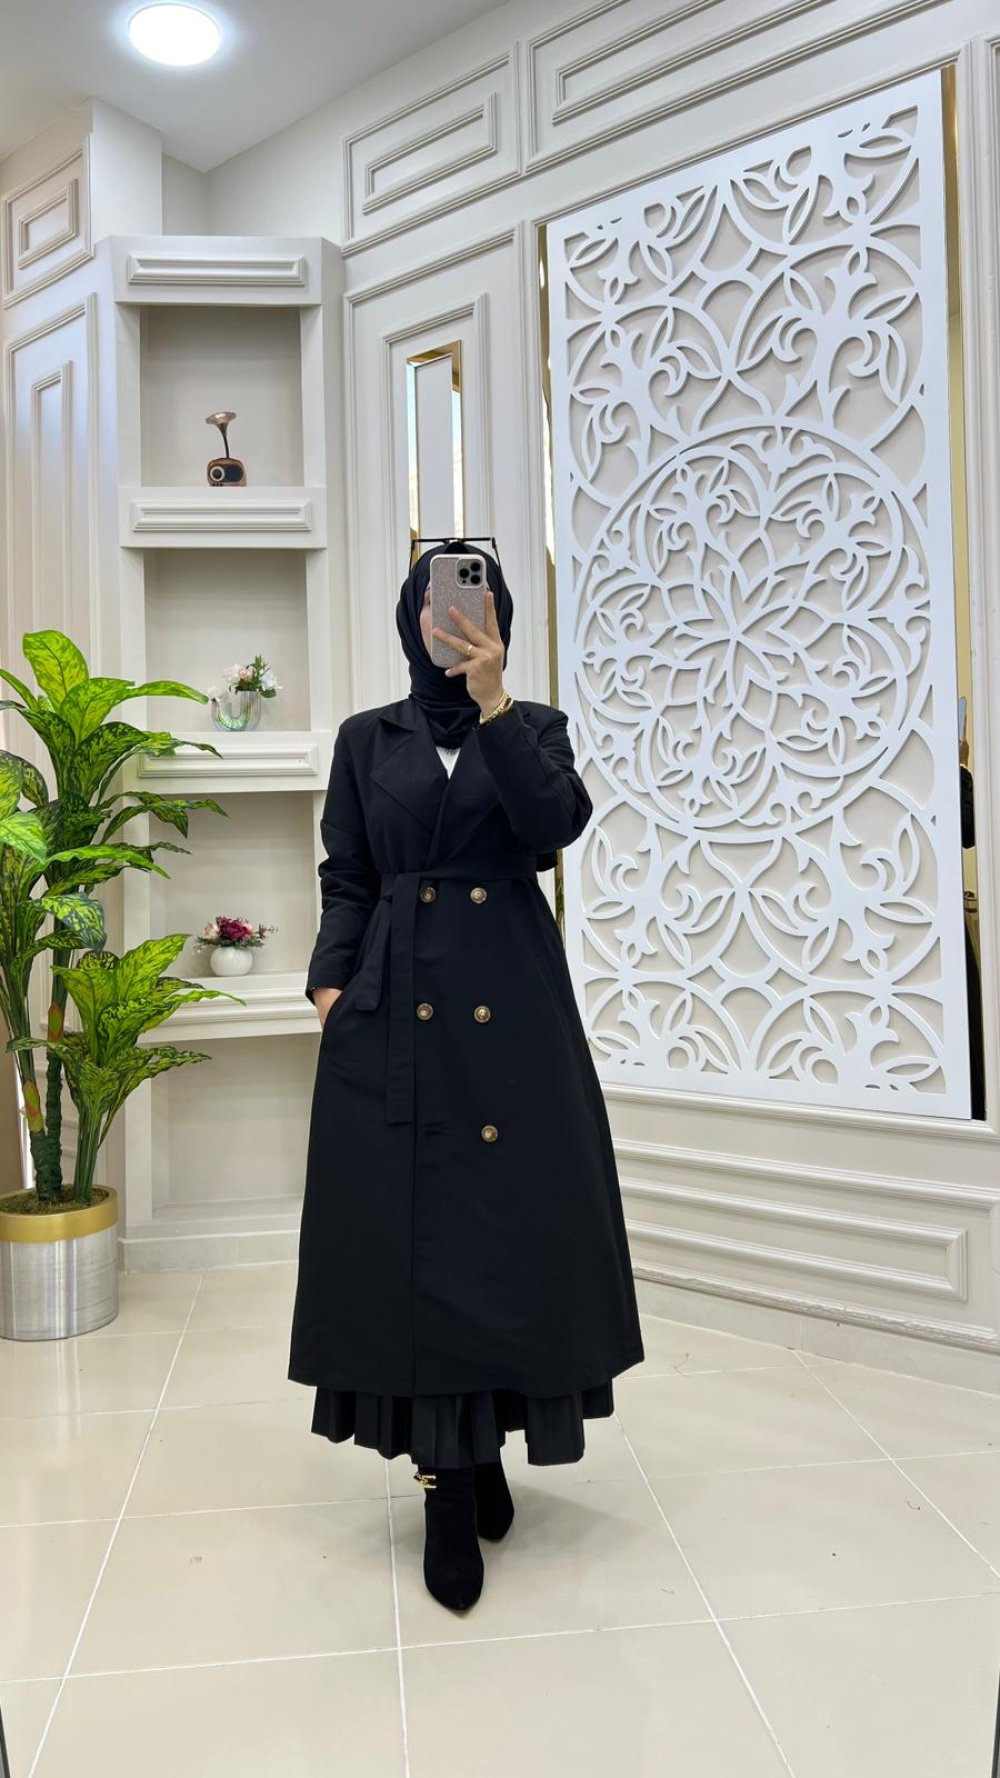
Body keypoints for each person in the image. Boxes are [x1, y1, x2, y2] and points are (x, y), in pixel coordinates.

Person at [287, 538, 644, 1612]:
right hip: (392, 1004)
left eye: (473, 604)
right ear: (412, 618)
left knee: (506, 1232)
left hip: (511, 1010)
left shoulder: (532, 727)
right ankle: (446, 1480)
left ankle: (482, 1443)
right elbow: (348, 874)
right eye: (435, 605)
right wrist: (330, 986)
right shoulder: (366, 738)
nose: (451, 619)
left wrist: (494, 703)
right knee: (408, 1233)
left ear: (498, 620)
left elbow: (553, 830)